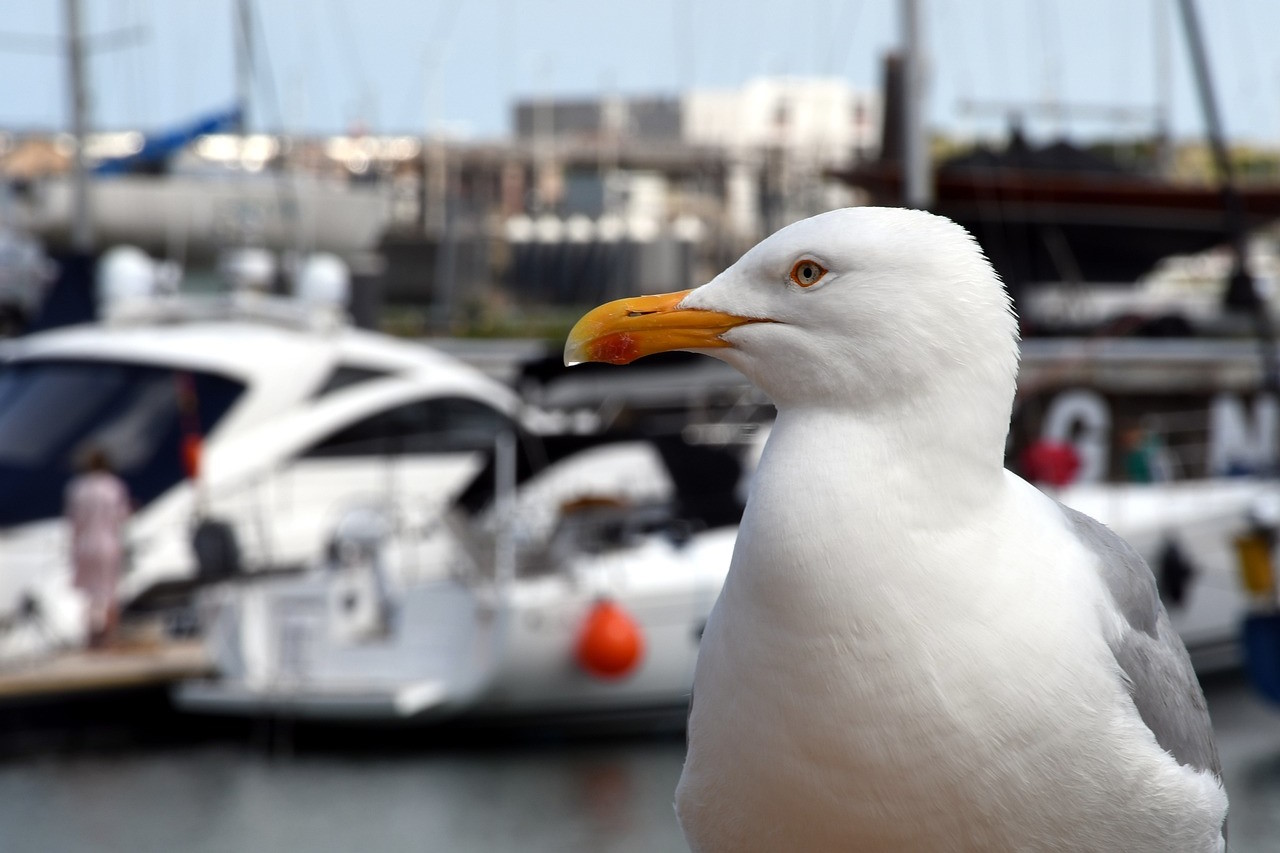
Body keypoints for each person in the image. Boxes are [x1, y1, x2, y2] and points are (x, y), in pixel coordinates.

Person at [65, 447, 131, 647]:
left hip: (84, 546)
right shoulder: (113, 486)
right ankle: (109, 636)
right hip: (108, 543)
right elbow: (121, 516)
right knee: (110, 591)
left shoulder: (77, 488)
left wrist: (73, 547)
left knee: (89, 593)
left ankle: (90, 636)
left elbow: (74, 521)